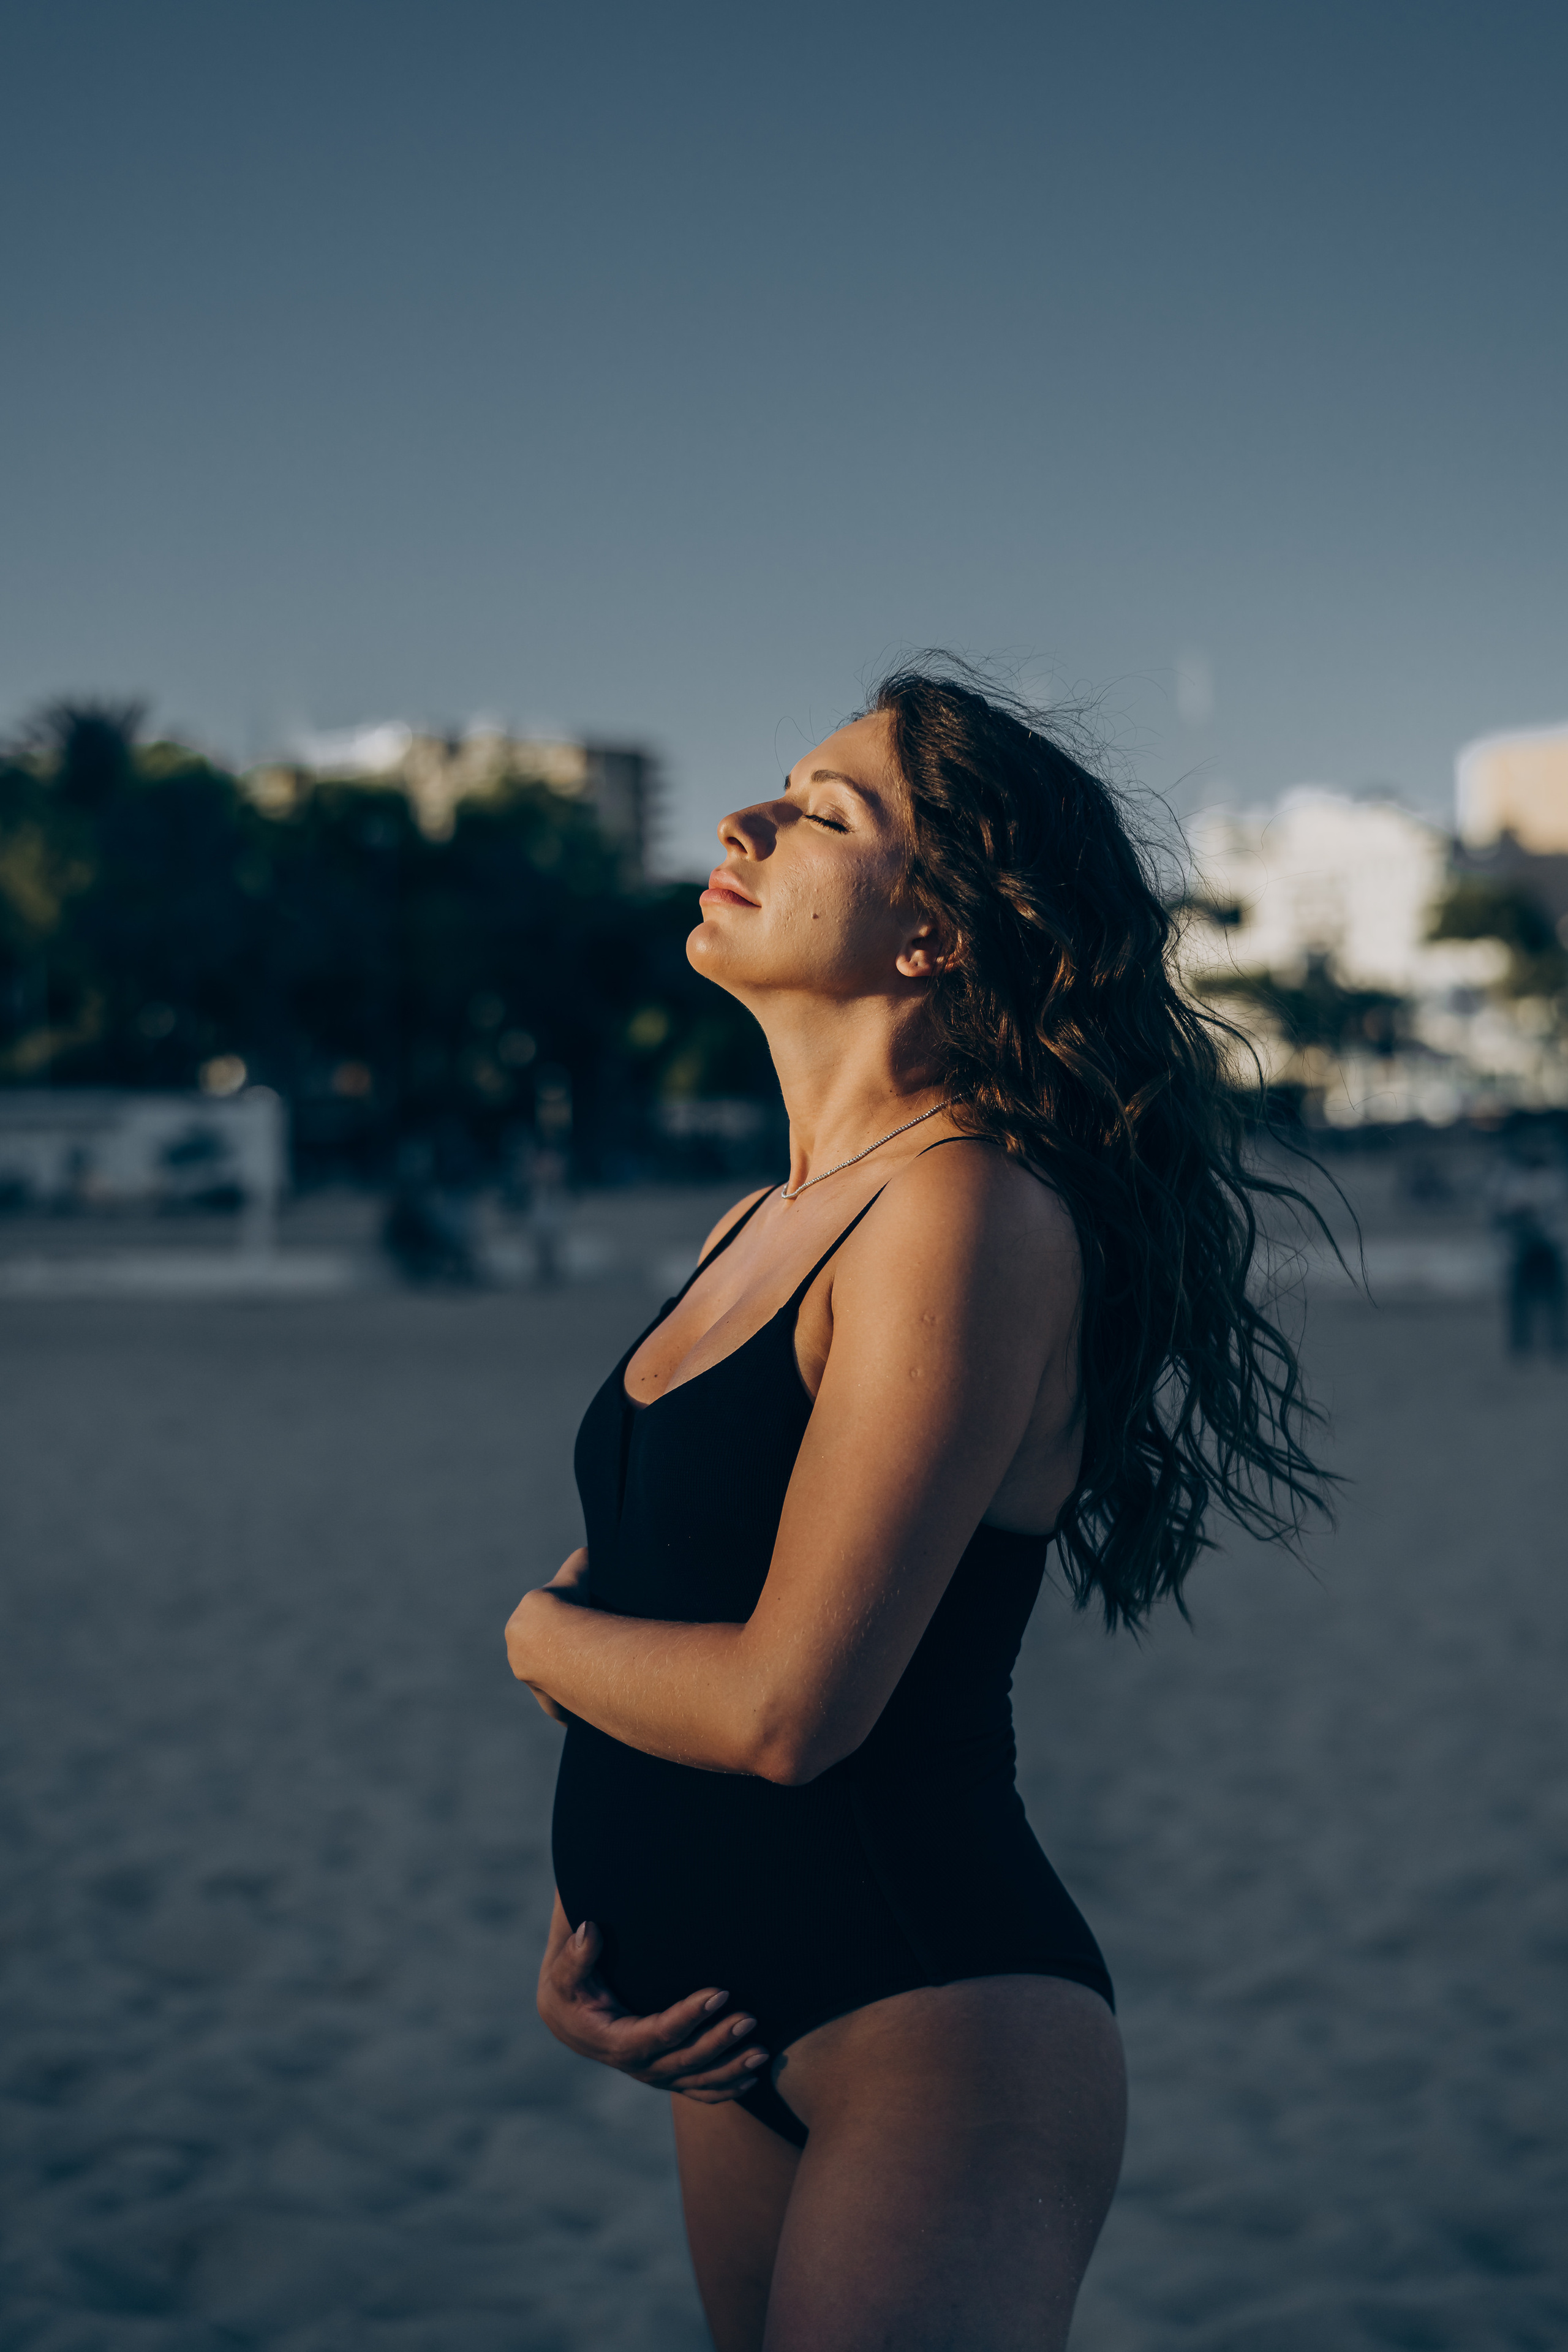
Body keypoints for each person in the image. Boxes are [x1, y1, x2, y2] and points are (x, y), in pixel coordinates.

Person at [505, 663, 1329, 2352]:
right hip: (719, 2039)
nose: (739, 824)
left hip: (930, 2023)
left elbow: (792, 1708)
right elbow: (671, 1591)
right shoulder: (764, 1219)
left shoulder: (963, 1214)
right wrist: (587, 1923)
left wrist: (527, 1635)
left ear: (937, 929)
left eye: (822, 812)